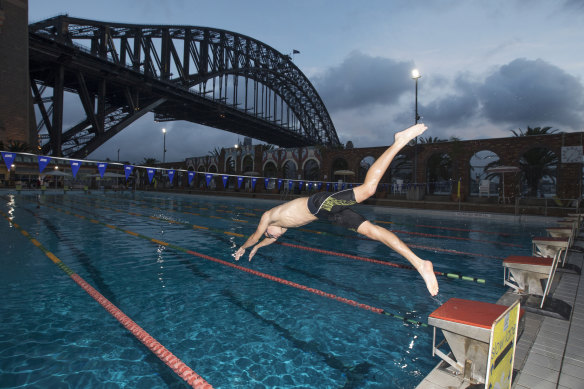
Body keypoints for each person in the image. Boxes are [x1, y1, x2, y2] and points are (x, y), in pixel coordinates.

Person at [234, 123, 439, 296]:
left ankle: (399, 141)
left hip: (318, 203)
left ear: (269, 229)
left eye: (272, 236)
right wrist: (258, 248)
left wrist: (245, 247)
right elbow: (265, 239)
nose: (274, 237)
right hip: (327, 214)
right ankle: (420, 263)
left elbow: (256, 235)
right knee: (372, 232)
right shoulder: (280, 226)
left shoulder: (268, 217)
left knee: (368, 190)